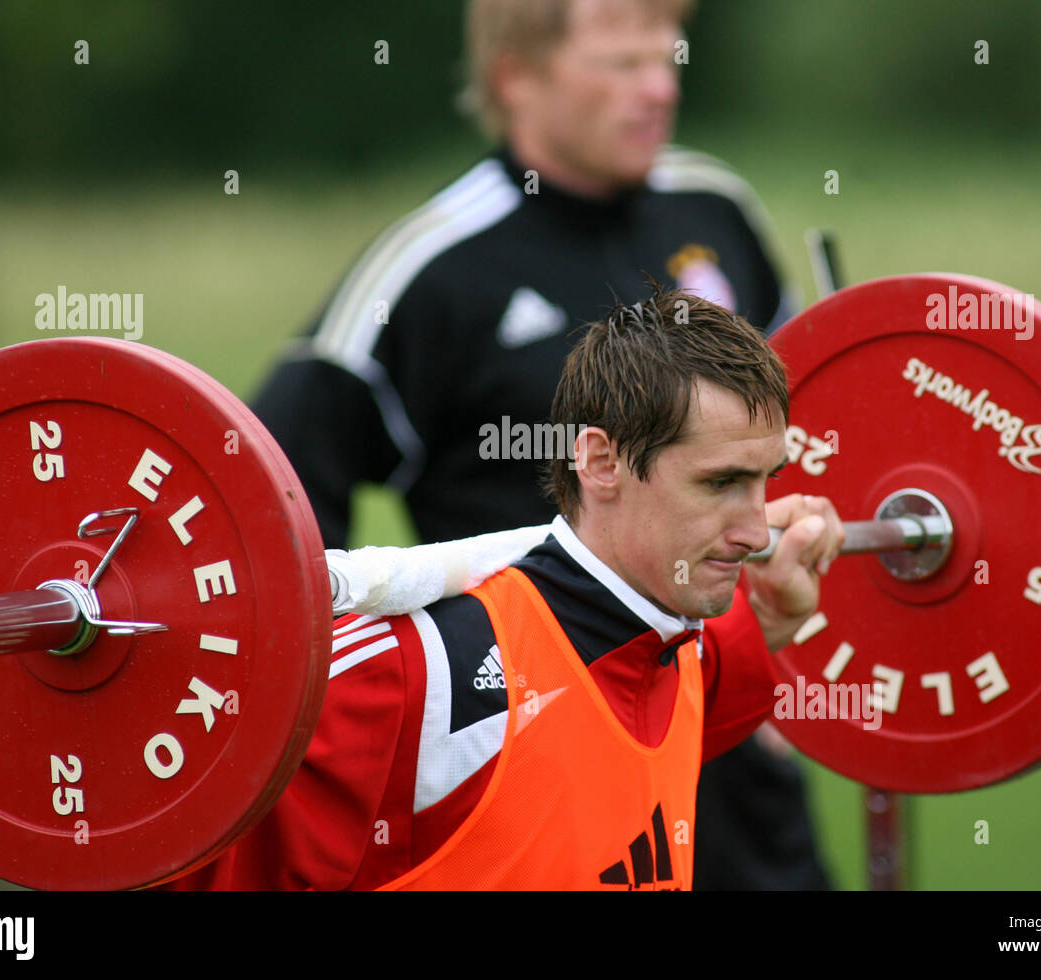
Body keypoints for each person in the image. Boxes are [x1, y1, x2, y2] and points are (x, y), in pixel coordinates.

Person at [249, 0, 830, 889]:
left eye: (666, 59)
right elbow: (268, 504)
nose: (659, 89)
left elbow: (810, 429)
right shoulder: (432, 269)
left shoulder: (714, 207)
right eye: (621, 64)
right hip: (508, 754)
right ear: (516, 76)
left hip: (718, 728)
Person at [169, 288, 843, 889]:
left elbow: (661, 683)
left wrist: (773, 609)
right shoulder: (419, 677)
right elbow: (166, 855)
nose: (757, 532)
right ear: (601, 461)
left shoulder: (677, 659)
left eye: (767, 481)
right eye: (721, 483)